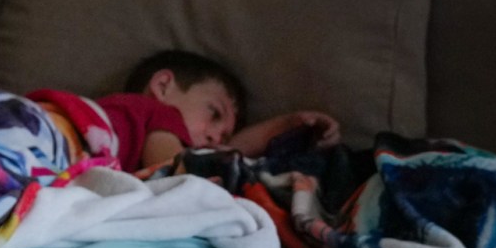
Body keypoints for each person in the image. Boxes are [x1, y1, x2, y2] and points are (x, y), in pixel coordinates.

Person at [41, 49, 339, 172]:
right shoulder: (160, 114)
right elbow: (174, 173)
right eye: (214, 114)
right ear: (163, 86)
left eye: (224, 136)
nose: (215, 137)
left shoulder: (126, 129)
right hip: (47, 131)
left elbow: (222, 153)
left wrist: (287, 124)